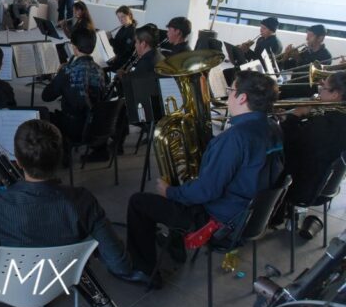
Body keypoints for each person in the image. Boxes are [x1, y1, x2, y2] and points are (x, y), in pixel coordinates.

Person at [0, 119, 135, 307]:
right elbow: (121, 265)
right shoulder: (84, 201)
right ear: (60, 157)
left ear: (18, 161)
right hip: (59, 283)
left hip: (5, 286)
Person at [125, 71, 282, 282]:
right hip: (252, 218)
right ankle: (175, 243)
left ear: (242, 98)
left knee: (139, 202)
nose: (228, 95)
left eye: (231, 90)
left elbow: (206, 191)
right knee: (185, 192)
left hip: (221, 224)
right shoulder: (274, 128)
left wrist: (169, 191)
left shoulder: (235, 138)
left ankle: (144, 272)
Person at [276, 72, 346, 213]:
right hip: (321, 183)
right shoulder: (336, 118)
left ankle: (264, 212)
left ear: (335, 94)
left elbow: (288, 145)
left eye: (324, 88)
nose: (320, 91)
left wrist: (294, 117)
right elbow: (308, 141)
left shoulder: (326, 123)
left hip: (301, 187)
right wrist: (289, 120)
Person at [42, 28, 105, 145]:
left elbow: (46, 96)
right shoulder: (99, 69)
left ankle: (62, 152)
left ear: (75, 48)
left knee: (41, 115)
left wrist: (58, 75)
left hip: (73, 127)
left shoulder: (68, 70)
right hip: (95, 126)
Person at [107, 5, 137, 72]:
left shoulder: (132, 31)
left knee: (101, 67)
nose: (120, 20)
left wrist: (110, 39)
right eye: (118, 17)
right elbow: (117, 43)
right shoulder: (123, 27)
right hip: (115, 57)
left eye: (123, 16)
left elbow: (124, 50)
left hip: (121, 62)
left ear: (129, 15)